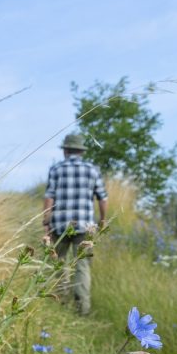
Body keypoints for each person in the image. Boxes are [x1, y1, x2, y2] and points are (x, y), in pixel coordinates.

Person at [43, 133, 108, 315]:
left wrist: (46, 223)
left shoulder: (56, 169)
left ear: (65, 150)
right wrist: (102, 220)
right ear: (81, 151)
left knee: (59, 264)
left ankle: (61, 303)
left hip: (59, 226)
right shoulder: (92, 170)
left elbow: (49, 196)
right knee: (82, 266)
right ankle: (82, 309)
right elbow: (103, 198)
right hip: (84, 227)